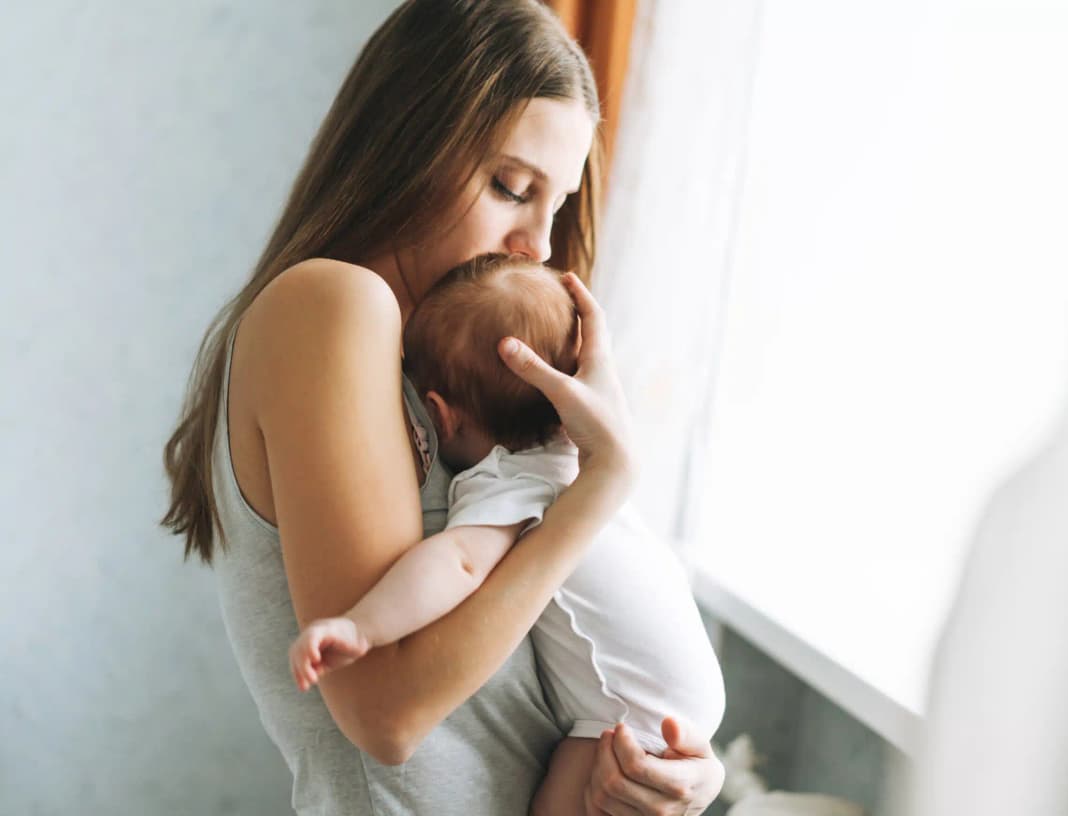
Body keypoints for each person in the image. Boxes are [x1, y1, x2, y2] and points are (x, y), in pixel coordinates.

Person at [160, 1, 726, 813]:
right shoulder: (334, 305)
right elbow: (386, 716)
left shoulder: (456, 394)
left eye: (555, 206)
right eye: (510, 186)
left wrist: (670, 758)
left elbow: (561, 649)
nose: (536, 242)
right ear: (408, 145)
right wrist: (598, 489)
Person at [286, 254, 726, 815]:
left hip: (628, 715)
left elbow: (459, 563)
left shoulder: (508, 479)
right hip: (683, 699)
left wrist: (361, 624)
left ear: (438, 415)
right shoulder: (579, 457)